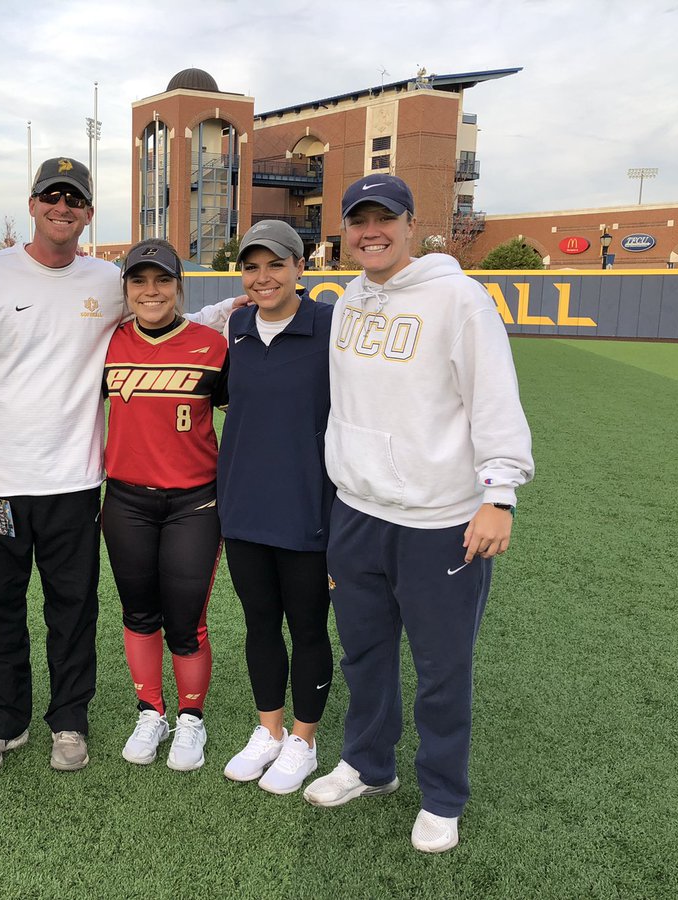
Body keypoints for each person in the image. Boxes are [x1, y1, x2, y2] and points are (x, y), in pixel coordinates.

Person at [0, 158, 239, 775]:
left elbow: (160, 319)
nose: (63, 207)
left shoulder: (105, 279)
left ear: (87, 213)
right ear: (32, 204)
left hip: (78, 483)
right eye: (51, 196)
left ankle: (68, 721)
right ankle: (3, 722)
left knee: (73, 606)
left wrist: (221, 319)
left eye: (75, 199)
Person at [303, 174, 534, 853]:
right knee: (365, 655)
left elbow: (493, 395)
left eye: (384, 219)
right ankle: (370, 766)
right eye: (358, 220)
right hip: (358, 512)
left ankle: (442, 795)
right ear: (344, 229)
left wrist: (498, 495)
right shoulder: (348, 298)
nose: (370, 231)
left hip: (439, 519)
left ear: (410, 225)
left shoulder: (458, 297)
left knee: (441, 667)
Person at [217, 220, 336, 796]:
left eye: (275, 265)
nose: (263, 278)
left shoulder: (329, 328)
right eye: (252, 267)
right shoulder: (237, 325)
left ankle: (303, 741)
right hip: (243, 508)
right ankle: (267, 730)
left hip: (307, 509)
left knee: (308, 627)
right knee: (259, 624)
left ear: (299, 269)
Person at [101, 238, 228, 771]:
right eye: (139, 281)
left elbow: (245, 416)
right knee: (138, 612)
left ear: (179, 285)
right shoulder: (106, 343)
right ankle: (150, 710)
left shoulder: (212, 345)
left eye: (161, 280)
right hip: (126, 500)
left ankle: (191, 719)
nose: (150, 291)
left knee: (186, 621)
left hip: (194, 503)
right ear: (126, 288)